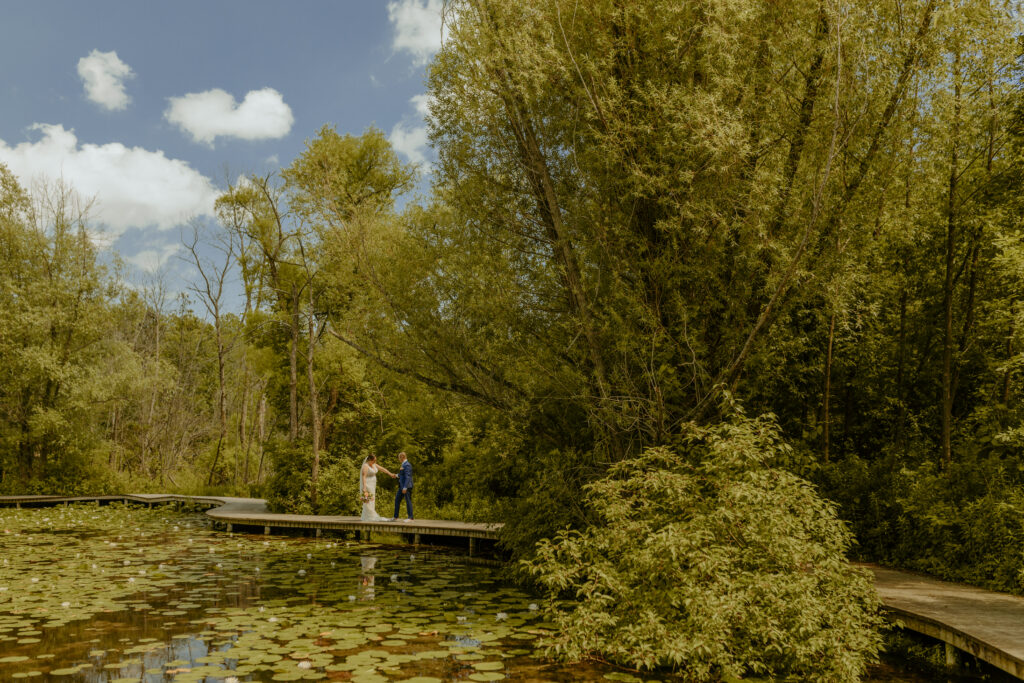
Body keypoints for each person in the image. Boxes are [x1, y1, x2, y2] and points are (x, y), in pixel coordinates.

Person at [360, 454, 397, 522]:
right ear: (370, 460)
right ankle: (368, 515)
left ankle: (369, 514)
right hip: (367, 484)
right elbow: (363, 476)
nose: (375, 461)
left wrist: (390, 474)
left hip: (372, 484)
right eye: (374, 460)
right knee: (368, 499)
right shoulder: (365, 466)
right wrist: (364, 487)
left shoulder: (374, 465)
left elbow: (382, 469)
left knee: (372, 499)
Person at [392, 451, 413, 522]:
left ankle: (410, 517)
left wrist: (405, 487)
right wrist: (396, 475)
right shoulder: (403, 464)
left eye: (399, 458)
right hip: (401, 486)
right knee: (397, 500)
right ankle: (395, 517)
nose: (398, 459)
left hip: (406, 486)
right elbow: (402, 475)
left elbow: (408, 477)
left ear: (402, 457)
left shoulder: (407, 465)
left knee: (408, 501)